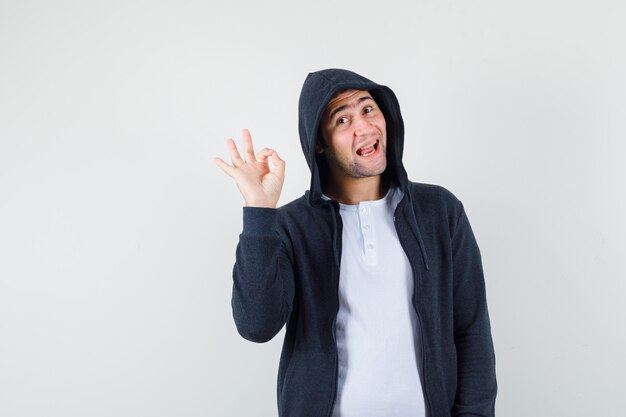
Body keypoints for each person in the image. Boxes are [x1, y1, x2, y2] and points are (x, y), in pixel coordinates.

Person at [214, 68, 497, 417]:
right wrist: (259, 211)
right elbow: (256, 326)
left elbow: (470, 331)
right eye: (342, 120)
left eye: (367, 109)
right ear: (320, 143)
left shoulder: (439, 211)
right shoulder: (290, 226)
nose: (363, 127)